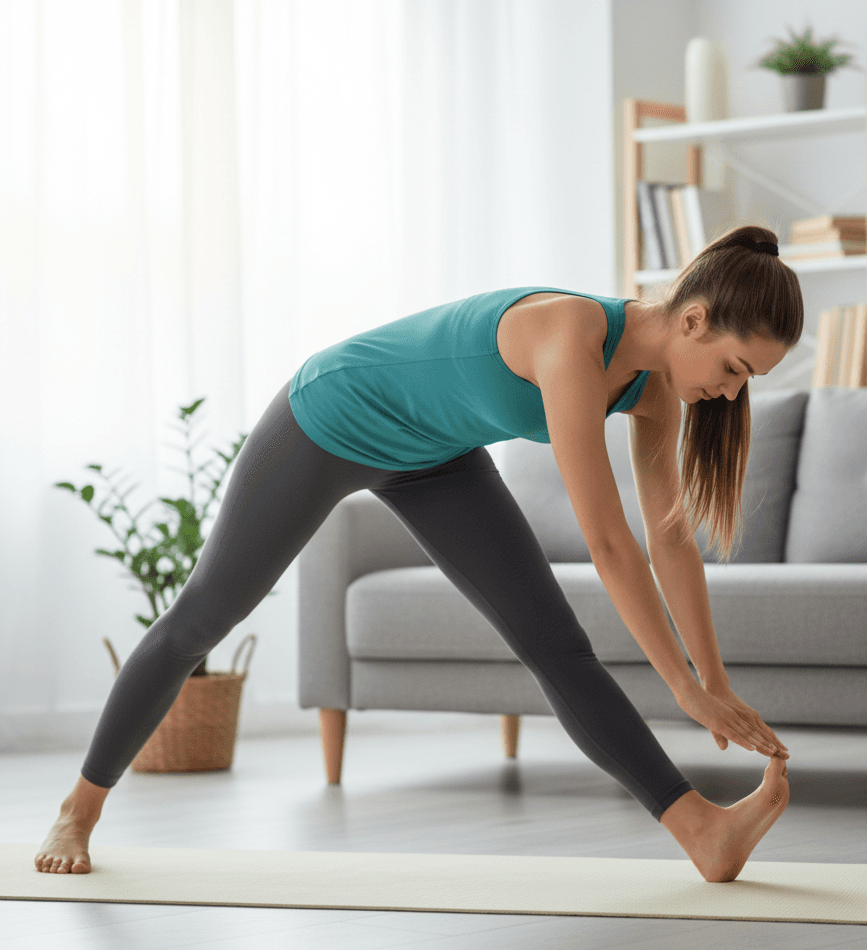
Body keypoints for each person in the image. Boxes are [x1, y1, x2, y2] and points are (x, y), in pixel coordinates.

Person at [35, 223, 802, 884]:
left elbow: (667, 536)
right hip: (328, 417)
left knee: (557, 647)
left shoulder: (654, 388)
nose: (733, 395)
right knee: (202, 620)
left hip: (434, 458)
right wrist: (682, 688)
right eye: (736, 369)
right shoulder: (570, 337)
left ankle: (700, 830)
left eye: (749, 383)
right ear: (695, 320)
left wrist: (713, 679)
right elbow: (608, 539)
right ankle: (80, 807)